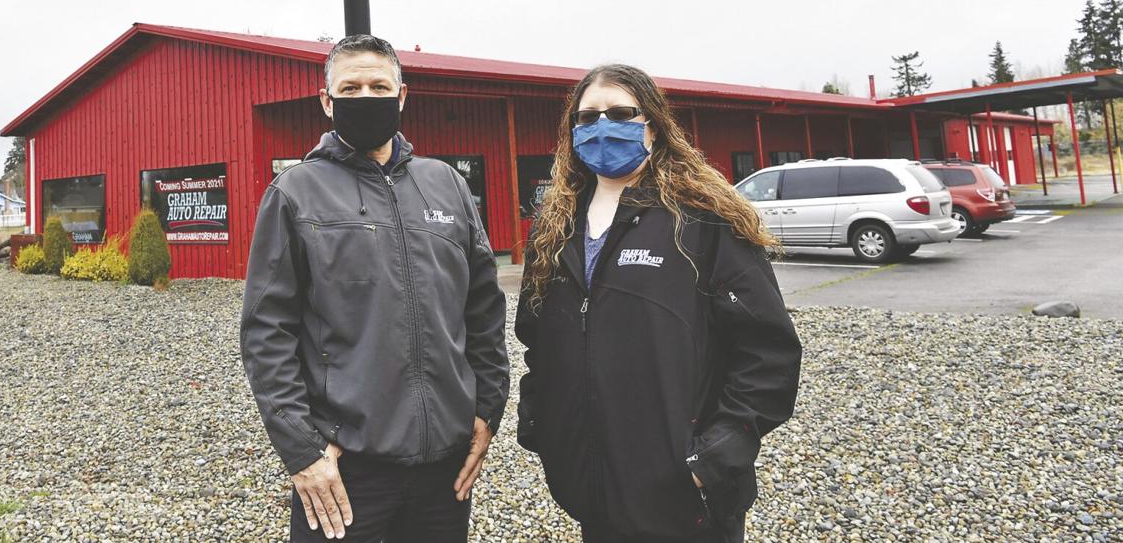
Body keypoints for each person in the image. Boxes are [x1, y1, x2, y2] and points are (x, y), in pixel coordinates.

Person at [514, 63, 802, 543]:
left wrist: (715, 455)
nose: (602, 125)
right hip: (593, 488)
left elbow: (767, 350)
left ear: (652, 123)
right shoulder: (555, 229)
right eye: (587, 118)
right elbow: (537, 340)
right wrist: (541, 426)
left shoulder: (703, 218)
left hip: (688, 500)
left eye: (620, 112)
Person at [239, 34, 510, 542]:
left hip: (443, 469)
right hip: (344, 470)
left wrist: (487, 409)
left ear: (402, 95)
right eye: (352, 87)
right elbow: (266, 333)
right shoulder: (296, 193)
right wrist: (302, 450)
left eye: (379, 85)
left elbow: (483, 308)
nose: (366, 97)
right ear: (327, 101)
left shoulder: (446, 184)